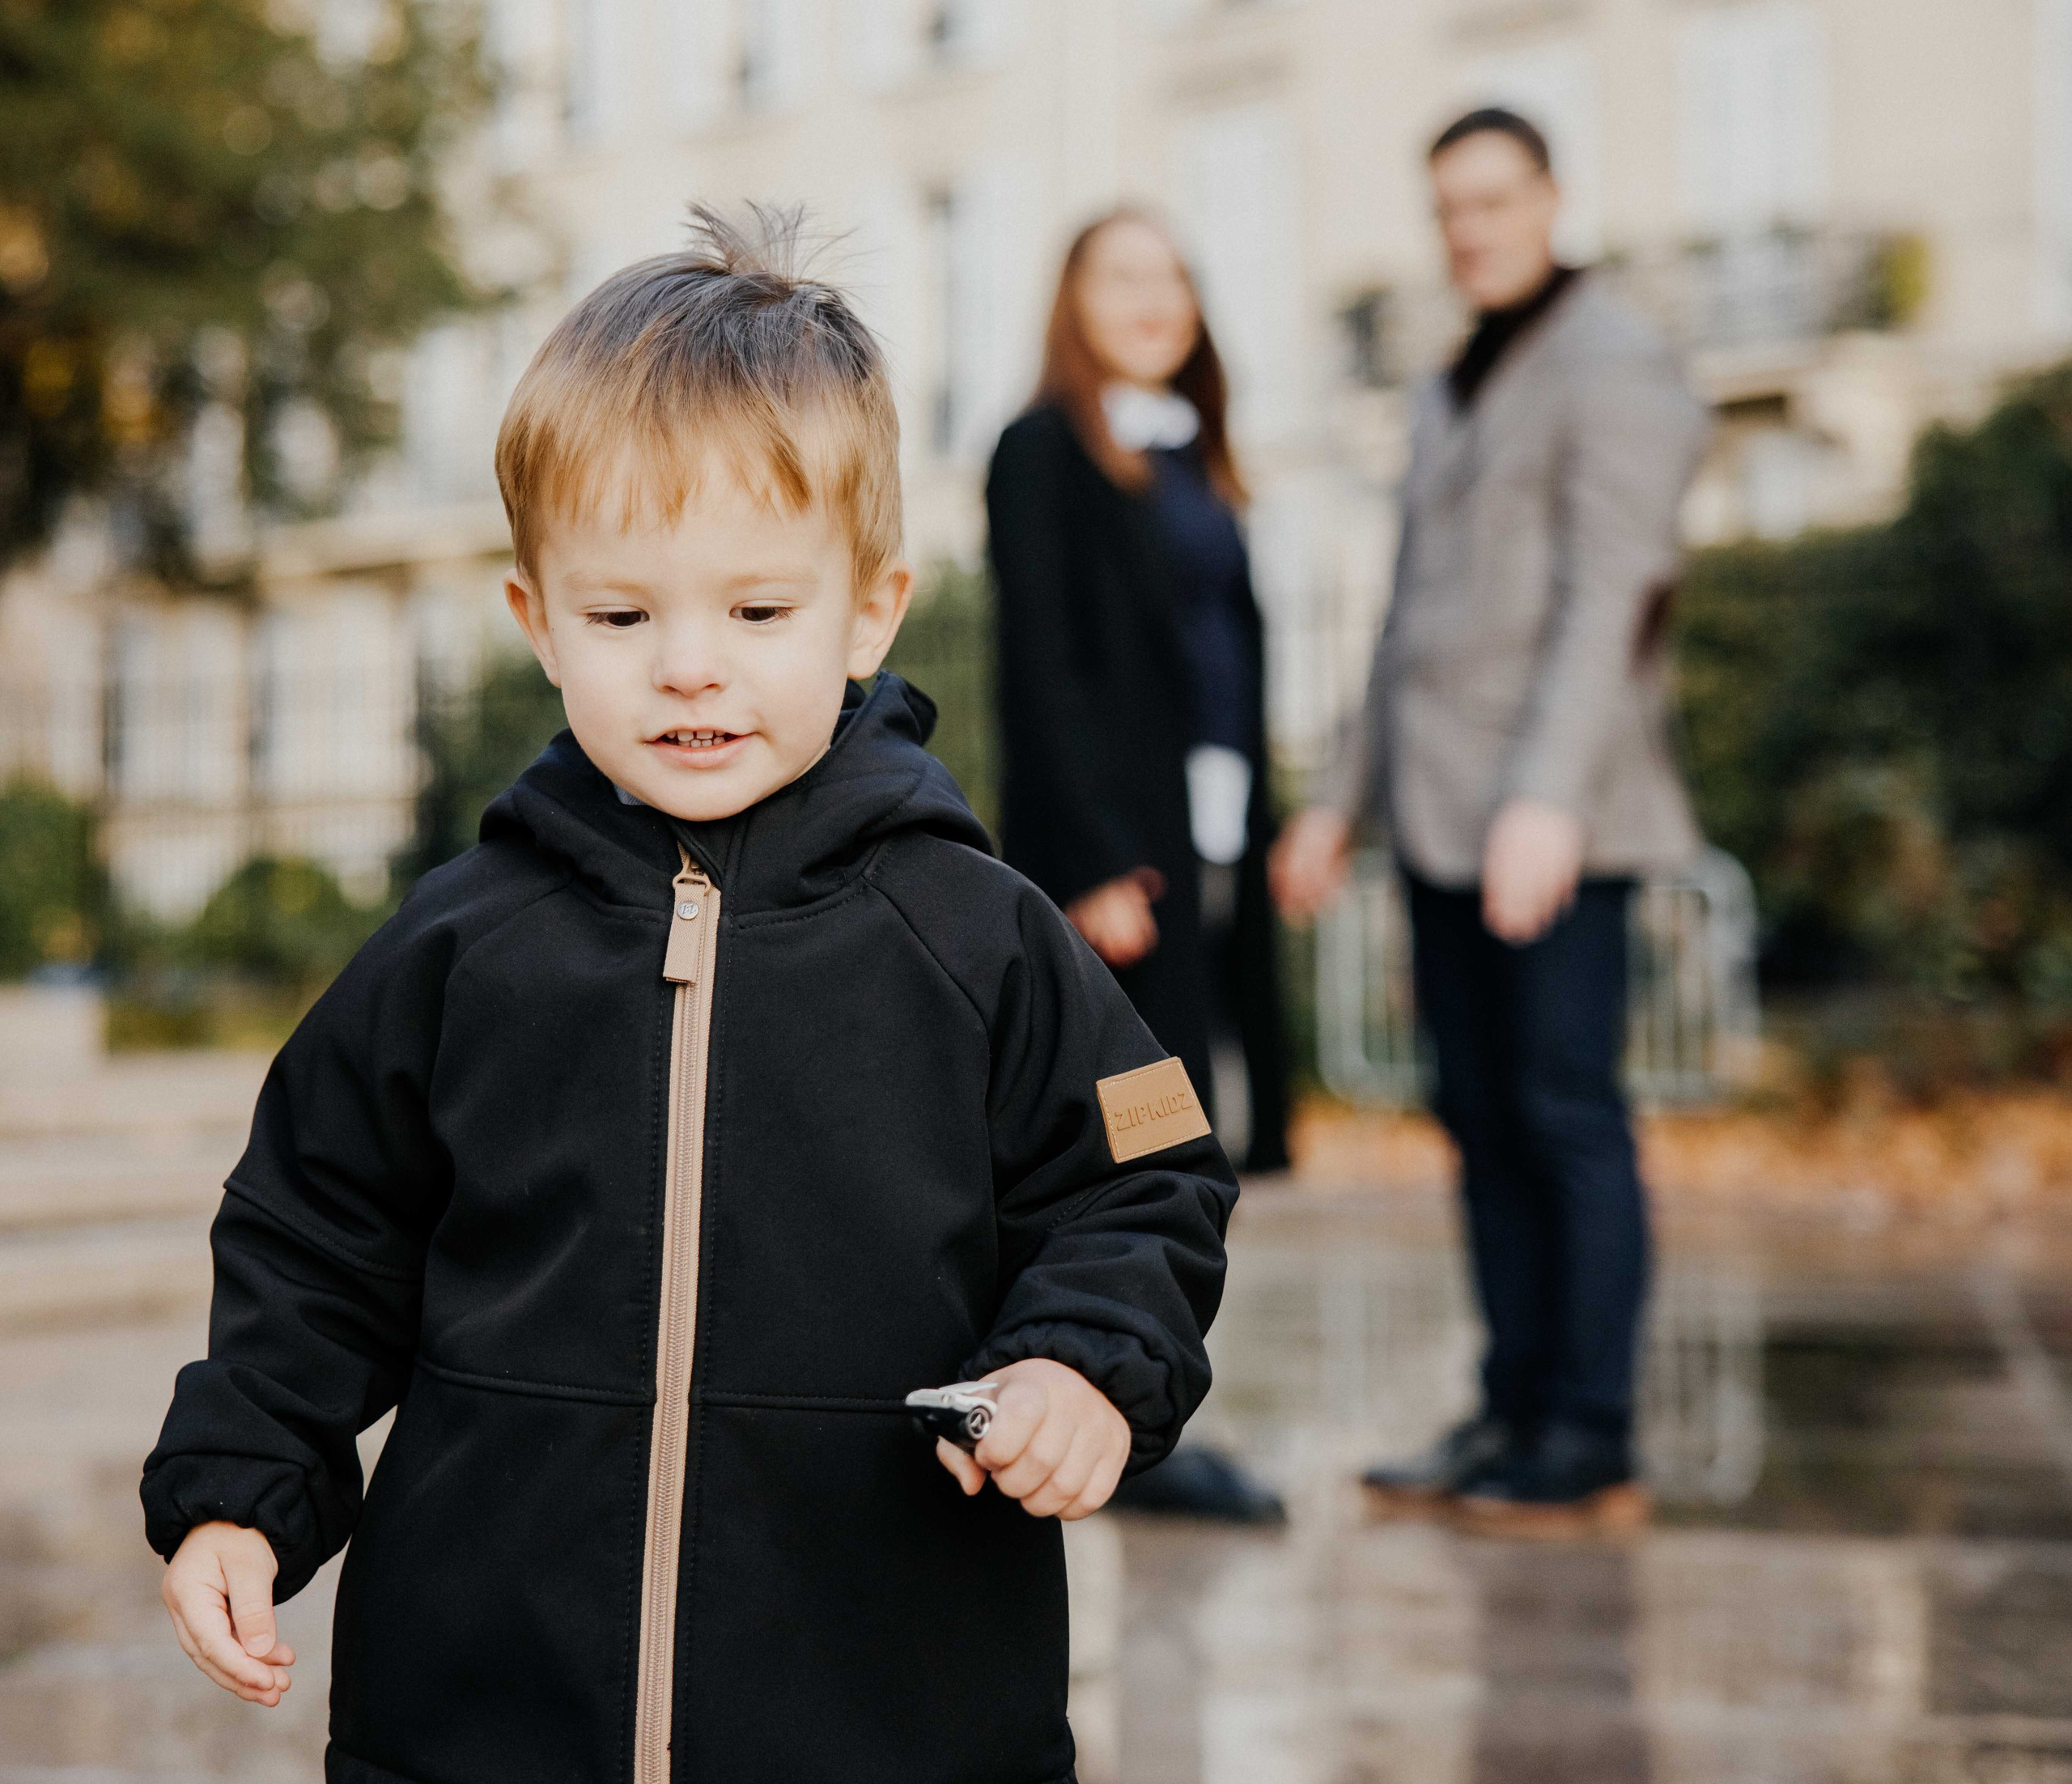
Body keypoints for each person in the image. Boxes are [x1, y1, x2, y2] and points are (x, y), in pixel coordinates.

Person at [140, 208, 1236, 1782]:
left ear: (868, 610)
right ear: (536, 622)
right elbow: (313, 1234)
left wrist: (1079, 1358)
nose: (690, 666)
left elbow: (1146, 1169)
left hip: (884, 1713)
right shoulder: (457, 949)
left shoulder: (974, 932)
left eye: (757, 609)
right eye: (622, 613)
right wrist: (242, 1483)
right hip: (481, 1713)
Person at [1274, 109, 1709, 1537]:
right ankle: (1512, 1404)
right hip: (1441, 821)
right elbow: (1403, 620)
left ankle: (1590, 1432)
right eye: (1449, 208)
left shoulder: (1616, 362)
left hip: (1555, 823)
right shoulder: (1450, 376)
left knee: (1564, 1115)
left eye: (1496, 201)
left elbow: (1614, 599)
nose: (1472, 230)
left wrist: (1547, 801)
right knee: (1478, 1117)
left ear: (1551, 200)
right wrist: (1336, 807)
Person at [985, 209, 1289, 1525]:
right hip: (1131, 867)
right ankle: (1129, 1415)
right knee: (1153, 1134)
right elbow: (1040, 669)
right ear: (1074, 302)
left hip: (1214, 842)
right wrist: (1092, 860)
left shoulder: (1196, 457)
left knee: (1201, 1119)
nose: (1153, 298)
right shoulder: (1043, 450)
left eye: (1174, 273)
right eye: (1122, 276)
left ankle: (1141, 1398)